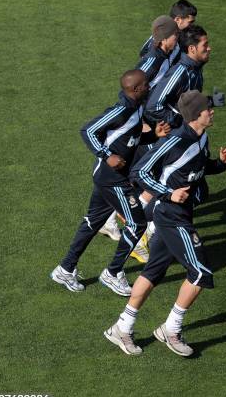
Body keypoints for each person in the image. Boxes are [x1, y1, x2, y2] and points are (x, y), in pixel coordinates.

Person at [104, 90, 226, 356]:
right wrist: (168, 193)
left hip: (182, 213)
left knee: (153, 271)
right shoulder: (174, 141)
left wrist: (220, 164)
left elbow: (199, 167)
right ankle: (171, 329)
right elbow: (138, 171)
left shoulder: (203, 136)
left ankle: (122, 327)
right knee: (200, 272)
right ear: (197, 115)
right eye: (208, 109)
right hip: (170, 215)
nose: (212, 111)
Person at [51, 70, 169, 296]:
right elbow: (88, 130)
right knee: (137, 224)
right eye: (146, 85)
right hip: (112, 179)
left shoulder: (136, 107)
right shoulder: (121, 110)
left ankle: (65, 268)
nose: (149, 87)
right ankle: (113, 273)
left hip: (111, 178)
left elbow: (129, 139)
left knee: (92, 221)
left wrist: (154, 134)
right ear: (135, 89)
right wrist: (107, 155)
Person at [98, 16, 179, 245]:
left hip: (147, 124)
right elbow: (131, 86)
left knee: (137, 173)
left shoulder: (161, 54)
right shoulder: (153, 61)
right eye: (176, 34)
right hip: (143, 125)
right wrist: (138, 119)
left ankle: (113, 219)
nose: (178, 38)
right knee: (146, 171)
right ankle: (141, 225)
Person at [145, 25, 224, 129]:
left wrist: (211, 101)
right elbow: (153, 107)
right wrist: (181, 122)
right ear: (192, 49)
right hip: (173, 135)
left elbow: (189, 100)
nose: (209, 48)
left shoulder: (196, 68)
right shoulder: (178, 73)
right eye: (205, 45)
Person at [139, 0, 197, 65]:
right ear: (178, 19)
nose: (192, 26)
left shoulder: (181, 36)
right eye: (190, 22)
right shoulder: (161, 39)